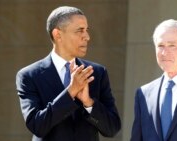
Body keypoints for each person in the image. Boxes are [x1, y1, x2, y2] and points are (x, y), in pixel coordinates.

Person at [15, 6, 121, 141]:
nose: (87, 37)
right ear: (58, 34)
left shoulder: (97, 73)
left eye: (87, 30)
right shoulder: (29, 76)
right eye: (80, 31)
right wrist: (70, 92)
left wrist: (89, 103)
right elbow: (37, 126)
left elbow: (112, 128)